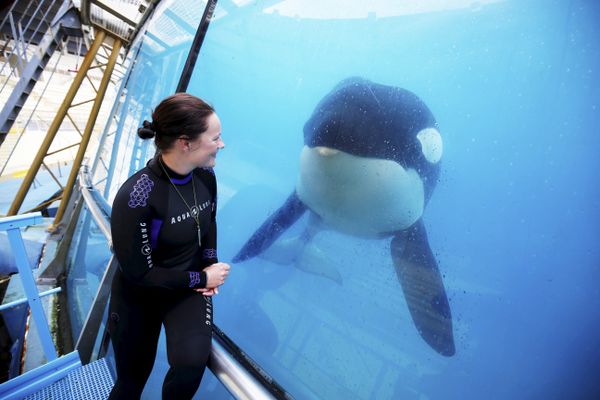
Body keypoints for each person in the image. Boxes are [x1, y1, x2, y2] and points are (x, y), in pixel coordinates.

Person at [108, 93, 230, 399]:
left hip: (186, 291)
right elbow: (142, 274)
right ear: (185, 143)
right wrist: (203, 278)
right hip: (139, 298)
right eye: (215, 138)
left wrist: (209, 263)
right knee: (130, 384)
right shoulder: (137, 197)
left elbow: (209, 221)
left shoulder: (205, 175)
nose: (222, 144)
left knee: (190, 365)